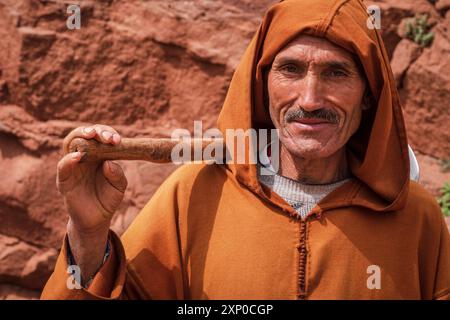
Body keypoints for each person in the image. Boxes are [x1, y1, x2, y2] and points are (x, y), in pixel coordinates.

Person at [41, 0, 450, 300]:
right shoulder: (196, 194)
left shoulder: (415, 219)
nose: (309, 99)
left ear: (368, 95)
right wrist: (89, 235)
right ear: (262, 84)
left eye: (337, 73)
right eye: (290, 69)